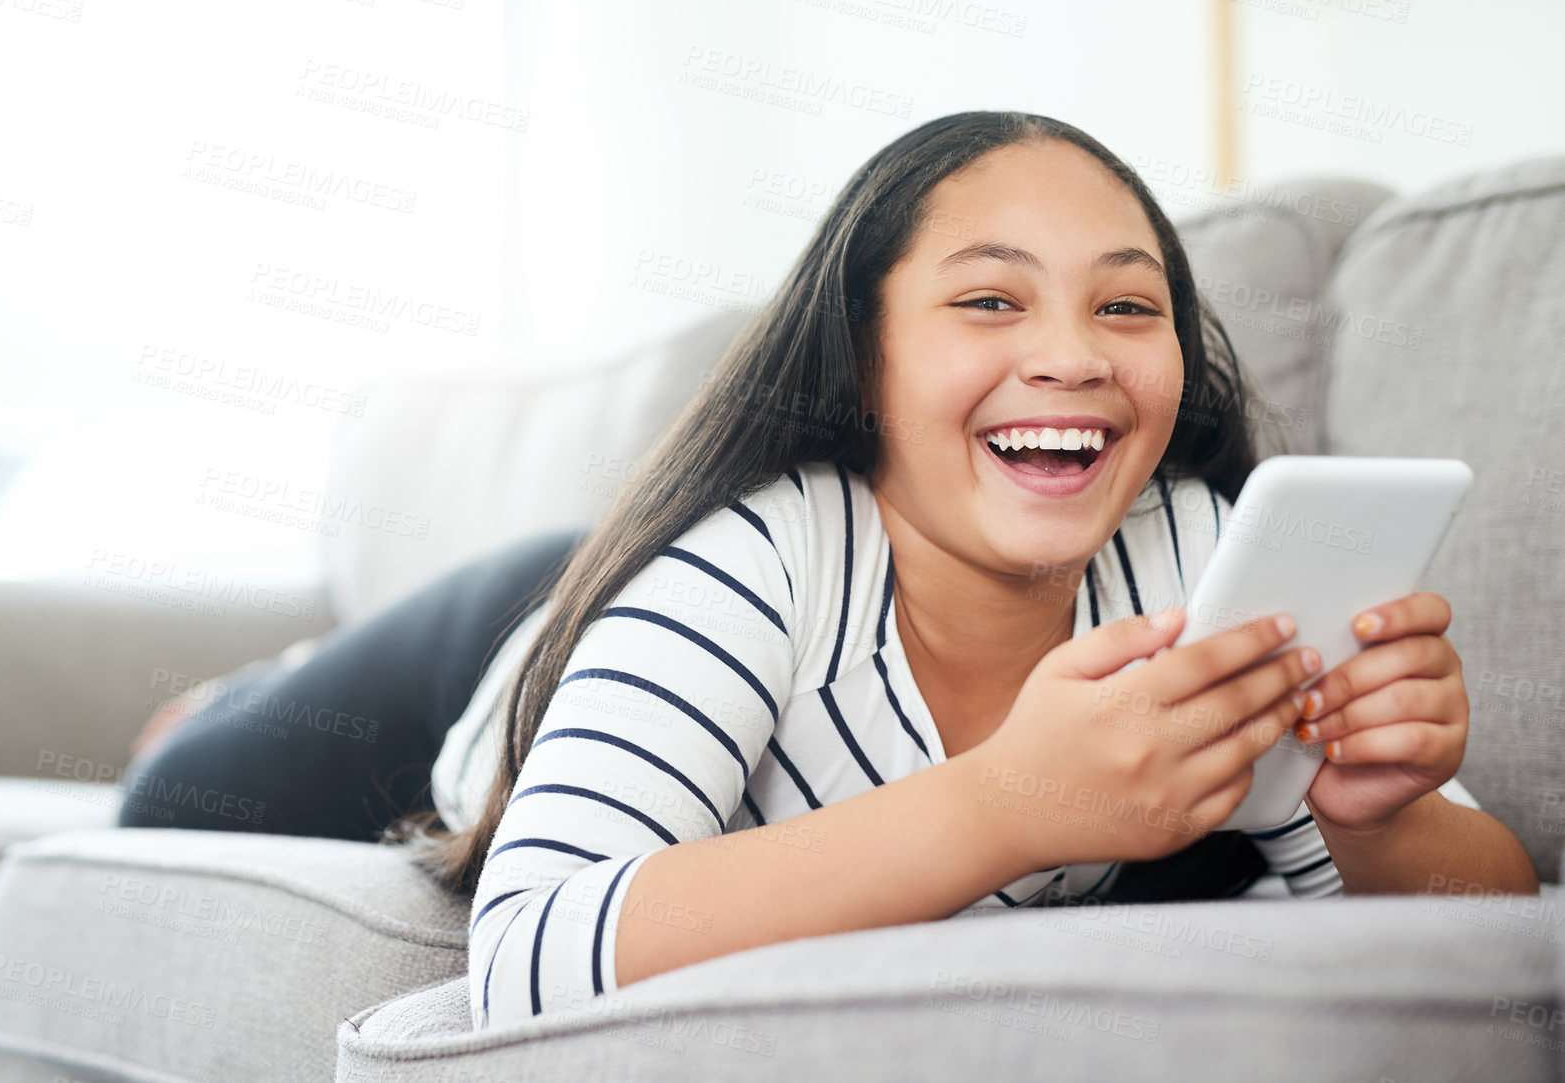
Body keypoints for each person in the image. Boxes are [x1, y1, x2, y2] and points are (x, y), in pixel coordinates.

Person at [125, 111, 1536, 1035]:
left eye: (1127, 304)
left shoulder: (1191, 556)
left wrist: (1376, 816)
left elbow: (1490, 907)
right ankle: (259, 682)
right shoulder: (743, 565)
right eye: (990, 299)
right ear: (862, 363)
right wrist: (1009, 801)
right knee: (176, 784)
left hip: (649, 616)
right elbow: (528, 959)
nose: (1076, 353)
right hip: (530, 638)